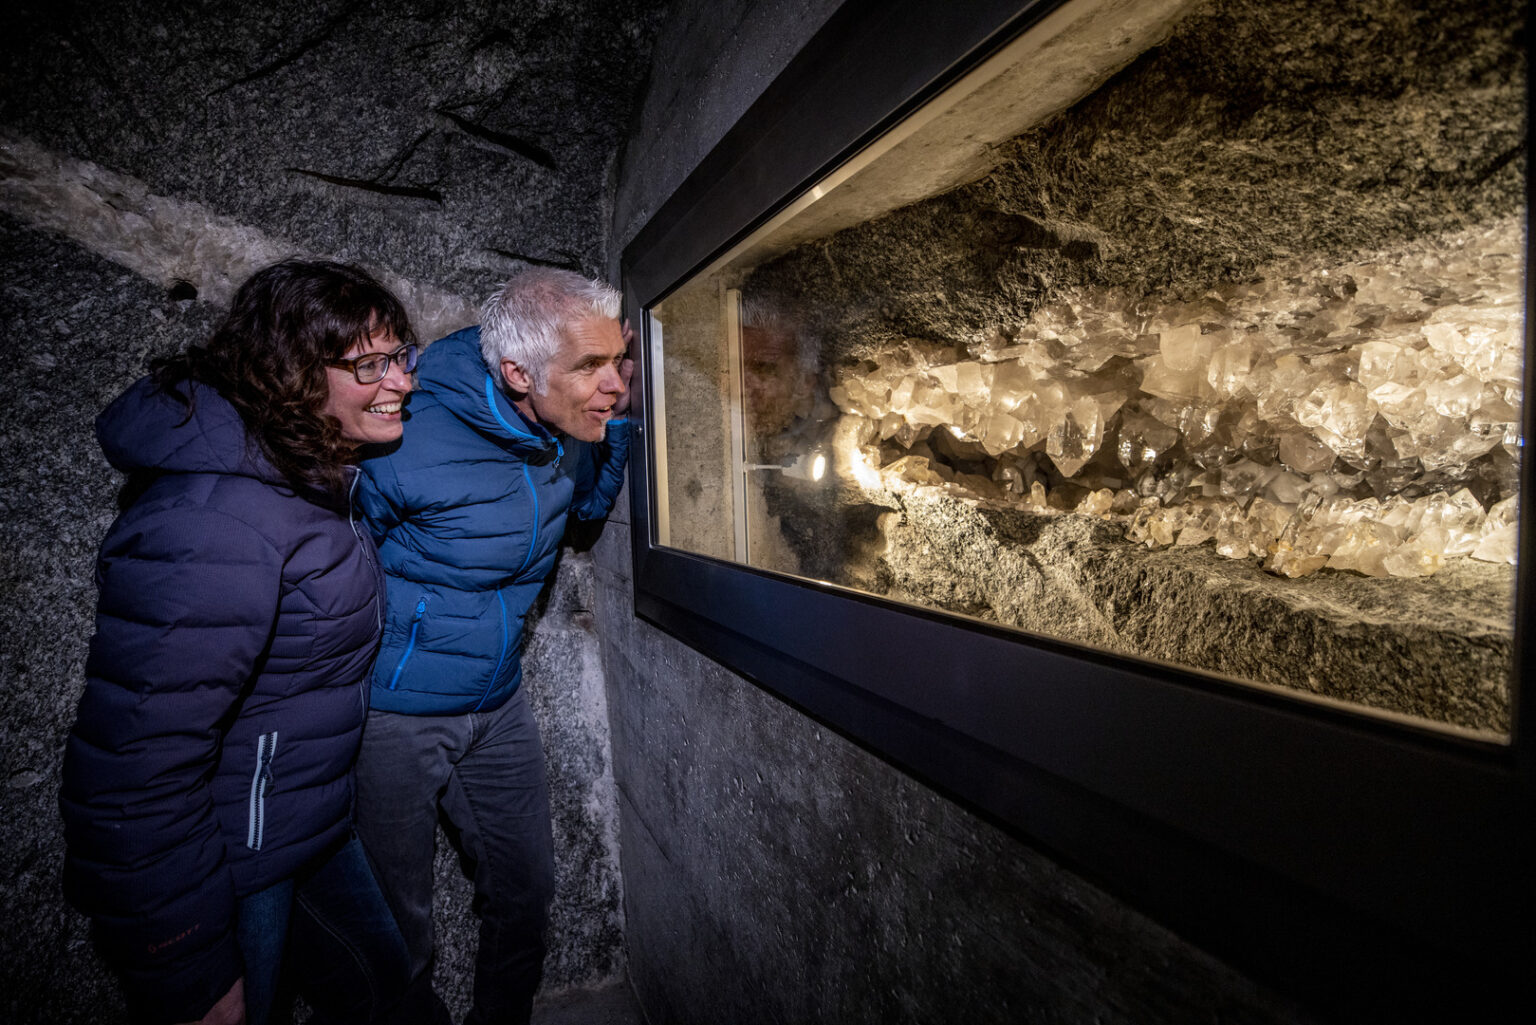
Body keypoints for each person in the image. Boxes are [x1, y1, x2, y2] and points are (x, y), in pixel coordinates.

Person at [59, 259, 418, 1025]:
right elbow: (135, 767)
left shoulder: (308, 476)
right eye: (371, 364)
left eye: (402, 356)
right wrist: (186, 958)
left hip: (304, 822)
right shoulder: (216, 518)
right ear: (291, 373)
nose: (402, 382)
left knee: (394, 1000)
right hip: (228, 859)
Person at [352, 267, 633, 1025]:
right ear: (517, 372)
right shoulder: (402, 438)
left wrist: (618, 433)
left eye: (619, 361)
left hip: (497, 701)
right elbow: (332, 569)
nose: (615, 384)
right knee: (396, 922)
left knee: (527, 891)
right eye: (590, 367)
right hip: (393, 716)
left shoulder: (567, 426)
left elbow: (582, 511)